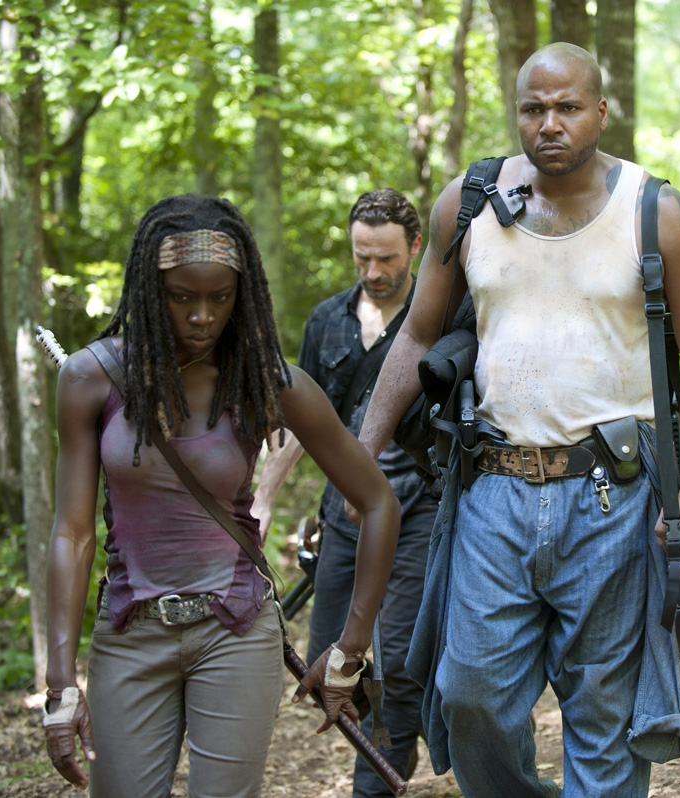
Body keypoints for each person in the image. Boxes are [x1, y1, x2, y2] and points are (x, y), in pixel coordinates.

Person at [351, 42, 680, 798]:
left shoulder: (657, 212)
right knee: (469, 696)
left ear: (600, 111)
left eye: (566, 107)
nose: (548, 123)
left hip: (613, 492)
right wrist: (358, 459)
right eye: (533, 109)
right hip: (493, 488)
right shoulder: (468, 204)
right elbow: (416, 336)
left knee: (605, 711)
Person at [43, 193, 400, 797]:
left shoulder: (265, 379)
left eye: (221, 297)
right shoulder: (90, 377)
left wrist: (351, 647)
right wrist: (60, 683)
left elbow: (378, 502)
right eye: (181, 296)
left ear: (243, 292)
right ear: (149, 290)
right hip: (130, 631)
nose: (202, 316)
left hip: (235, 631)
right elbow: (72, 533)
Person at [251, 188, 436, 795]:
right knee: (326, 661)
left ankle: (377, 781)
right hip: (342, 513)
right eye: (362, 258)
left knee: (399, 659)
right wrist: (262, 502)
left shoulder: (437, 318)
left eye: (386, 258)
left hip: (418, 508)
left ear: (415, 246)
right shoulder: (327, 320)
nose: (373, 271)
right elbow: (295, 424)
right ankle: (408, 729)